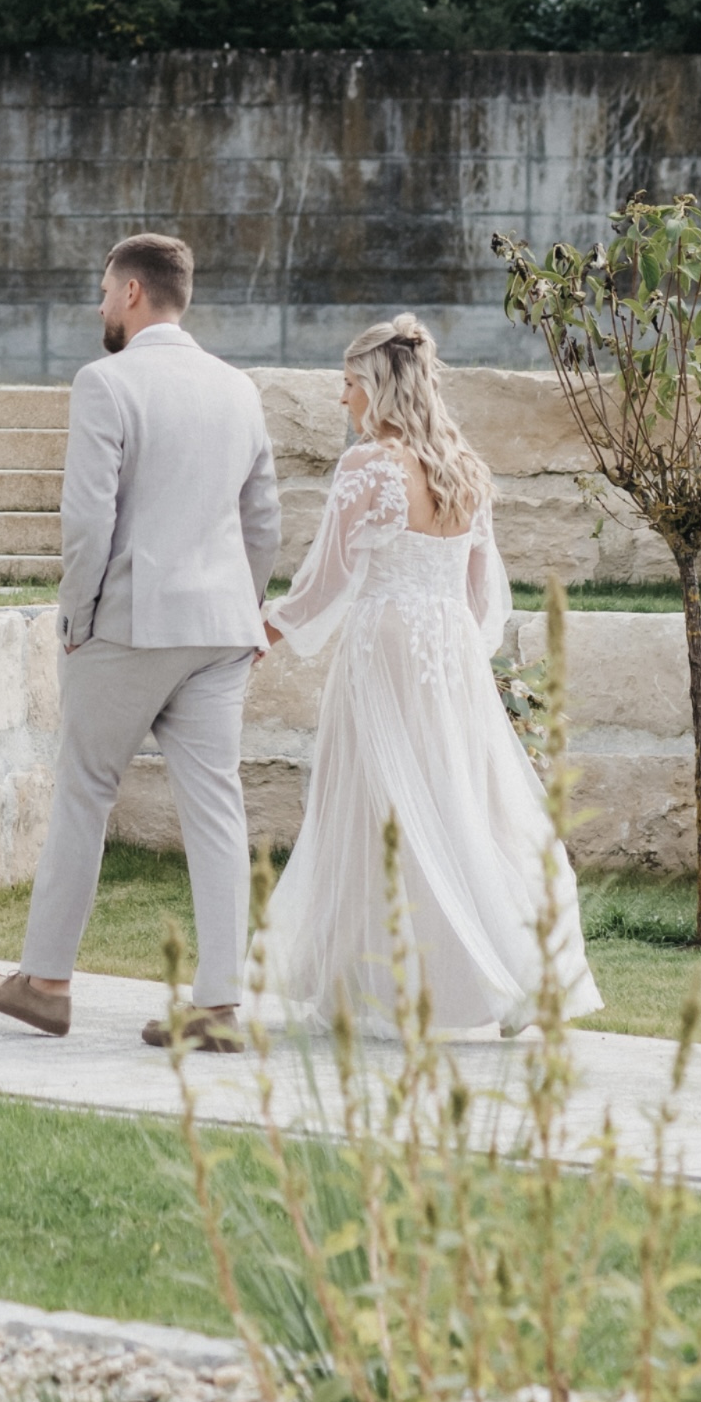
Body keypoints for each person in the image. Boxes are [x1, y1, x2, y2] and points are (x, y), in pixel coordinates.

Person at [0, 228, 280, 1055]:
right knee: (217, 811)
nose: (101, 304)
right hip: (220, 627)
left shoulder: (105, 382)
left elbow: (87, 520)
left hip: (133, 622)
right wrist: (245, 613)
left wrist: (75, 616)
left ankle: (44, 983)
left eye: (106, 290)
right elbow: (264, 520)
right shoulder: (237, 388)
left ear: (134, 293)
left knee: (83, 792)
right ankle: (217, 1005)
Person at [259, 313, 600, 1040]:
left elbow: (324, 585)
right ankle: (512, 970)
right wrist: (454, 654)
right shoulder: (464, 469)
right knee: (466, 806)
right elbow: (482, 600)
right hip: (449, 656)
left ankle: (396, 984)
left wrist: (263, 633)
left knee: (382, 810)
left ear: (375, 386)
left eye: (347, 385)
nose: (340, 400)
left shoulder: (366, 467)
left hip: (382, 652)